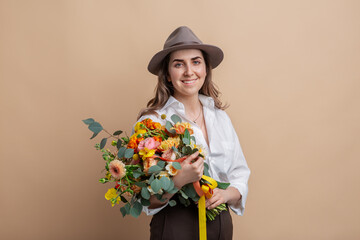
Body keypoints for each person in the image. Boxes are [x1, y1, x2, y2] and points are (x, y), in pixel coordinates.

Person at [137, 26, 250, 240]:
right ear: (168, 75)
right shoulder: (152, 123)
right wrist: (178, 180)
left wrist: (225, 194)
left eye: (196, 62)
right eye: (179, 64)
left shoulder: (220, 118)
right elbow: (147, 197)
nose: (189, 71)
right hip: (175, 226)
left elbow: (240, 174)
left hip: (221, 225)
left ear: (206, 69)